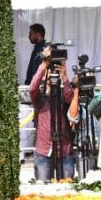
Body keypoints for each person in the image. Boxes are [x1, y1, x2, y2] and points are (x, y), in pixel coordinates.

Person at [29, 46, 75, 180]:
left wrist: (65, 77)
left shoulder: (64, 90)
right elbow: (32, 89)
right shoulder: (41, 95)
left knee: (67, 190)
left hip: (64, 149)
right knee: (43, 192)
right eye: (50, 70)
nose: (52, 73)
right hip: (44, 150)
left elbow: (70, 99)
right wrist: (44, 64)